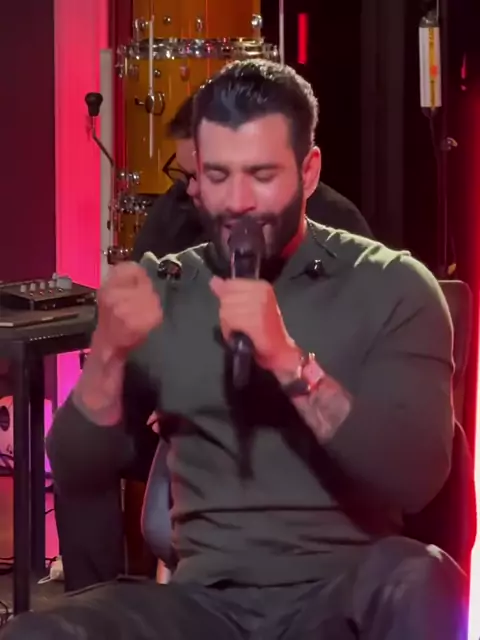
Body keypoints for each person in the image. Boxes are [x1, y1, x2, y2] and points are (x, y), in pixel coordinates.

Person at [7, 60, 466, 639]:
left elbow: (417, 476)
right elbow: (76, 466)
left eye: (261, 175)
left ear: (309, 171)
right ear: (195, 177)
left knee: (423, 578)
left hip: (344, 595)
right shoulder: (168, 287)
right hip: (205, 607)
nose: (238, 201)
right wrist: (107, 356)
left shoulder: (391, 286)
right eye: (218, 176)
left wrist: (289, 362)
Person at [55, 92, 374, 592]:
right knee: (79, 447)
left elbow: (344, 352)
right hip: (177, 408)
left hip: (285, 410)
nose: (195, 190)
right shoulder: (175, 211)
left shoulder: (337, 227)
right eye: (191, 176)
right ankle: (98, 606)